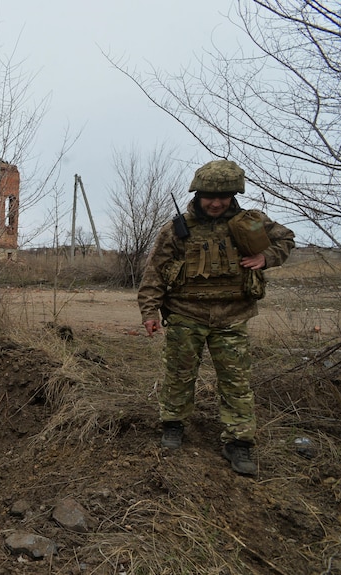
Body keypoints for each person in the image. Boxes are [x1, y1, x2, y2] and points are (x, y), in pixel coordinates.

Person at [137, 159, 295, 476]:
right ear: (198, 194)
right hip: (186, 314)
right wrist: (149, 311)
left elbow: (286, 239)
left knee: (236, 384)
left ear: (234, 195)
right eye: (209, 195)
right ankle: (173, 425)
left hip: (233, 317)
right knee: (179, 377)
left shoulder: (250, 222)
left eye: (223, 196)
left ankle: (239, 443)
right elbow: (154, 272)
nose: (216, 202)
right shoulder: (176, 229)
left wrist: (266, 257)